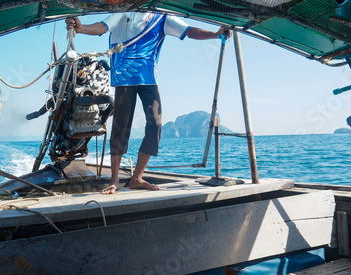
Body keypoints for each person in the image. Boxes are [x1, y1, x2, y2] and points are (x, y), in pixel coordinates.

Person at [66, 13, 231, 194]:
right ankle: (114, 181)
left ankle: (136, 178)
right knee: (121, 126)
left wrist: (216, 34)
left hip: (149, 79)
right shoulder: (123, 12)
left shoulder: (162, 17)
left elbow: (189, 31)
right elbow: (102, 27)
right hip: (124, 78)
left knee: (156, 125)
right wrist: (81, 29)